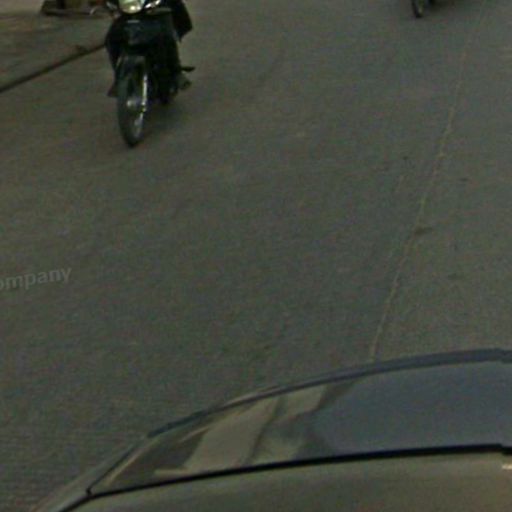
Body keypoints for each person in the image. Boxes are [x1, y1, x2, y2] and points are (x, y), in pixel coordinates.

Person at [104, 0, 193, 94]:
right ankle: (119, 76)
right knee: (112, 39)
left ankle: (176, 71)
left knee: (166, 35)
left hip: (156, 10)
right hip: (128, 10)